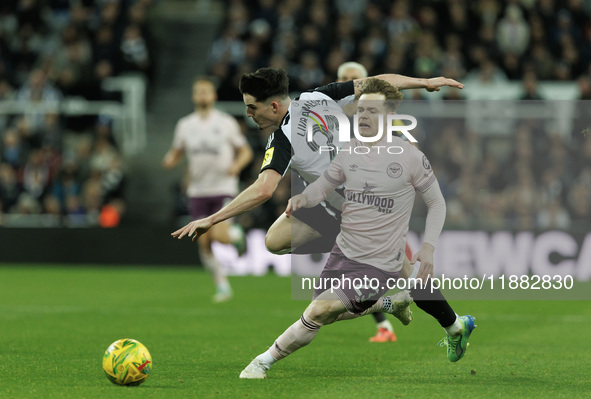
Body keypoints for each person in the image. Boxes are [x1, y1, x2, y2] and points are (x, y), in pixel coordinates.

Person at [172, 68, 469, 356]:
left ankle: (454, 325)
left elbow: (263, 190)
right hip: (335, 203)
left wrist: (211, 219)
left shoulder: (283, 138)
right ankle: (404, 305)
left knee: (409, 277)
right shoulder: (318, 96)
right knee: (274, 241)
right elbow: (377, 82)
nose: (249, 115)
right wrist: (424, 82)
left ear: (273, 105)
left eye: (252, 108)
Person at [239, 78, 475, 379]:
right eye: (361, 110)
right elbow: (325, 182)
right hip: (343, 228)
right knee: (325, 307)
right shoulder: (344, 143)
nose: (362, 115)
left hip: (374, 234)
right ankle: (447, 322)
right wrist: (304, 197)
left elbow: (437, 203)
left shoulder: (404, 154)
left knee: (329, 307)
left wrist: (427, 245)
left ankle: (263, 362)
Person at [337, 61, 411, 343]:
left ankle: (447, 320)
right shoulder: (332, 120)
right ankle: (388, 322)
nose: (351, 83)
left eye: (355, 79)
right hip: (346, 207)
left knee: (403, 272)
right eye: (345, 79)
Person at [163, 77, 253, 303]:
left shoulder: (225, 122)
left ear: (213, 95)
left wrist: (236, 166)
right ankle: (222, 286)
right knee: (203, 242)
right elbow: (177, 152)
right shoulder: (185, 125)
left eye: (206, 91)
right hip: (198, 191)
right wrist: (170, 160)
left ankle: (235, 237)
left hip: (223, 188)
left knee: (218, 235)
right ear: (194, 96)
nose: (202, 95)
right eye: (198, 92)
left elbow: (246, 152)